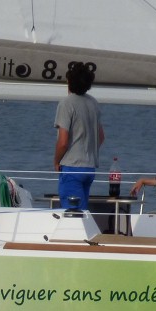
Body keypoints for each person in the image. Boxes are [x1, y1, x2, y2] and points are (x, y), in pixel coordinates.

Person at [53, 65, 103, 212]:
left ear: (70, 82)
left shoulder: (66, 104)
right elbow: (101, 137)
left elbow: (63, 142)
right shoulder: (93, 103)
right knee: (82, 209)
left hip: (72, 167)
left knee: (73, 213)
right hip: (89, 166)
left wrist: (56, 161)